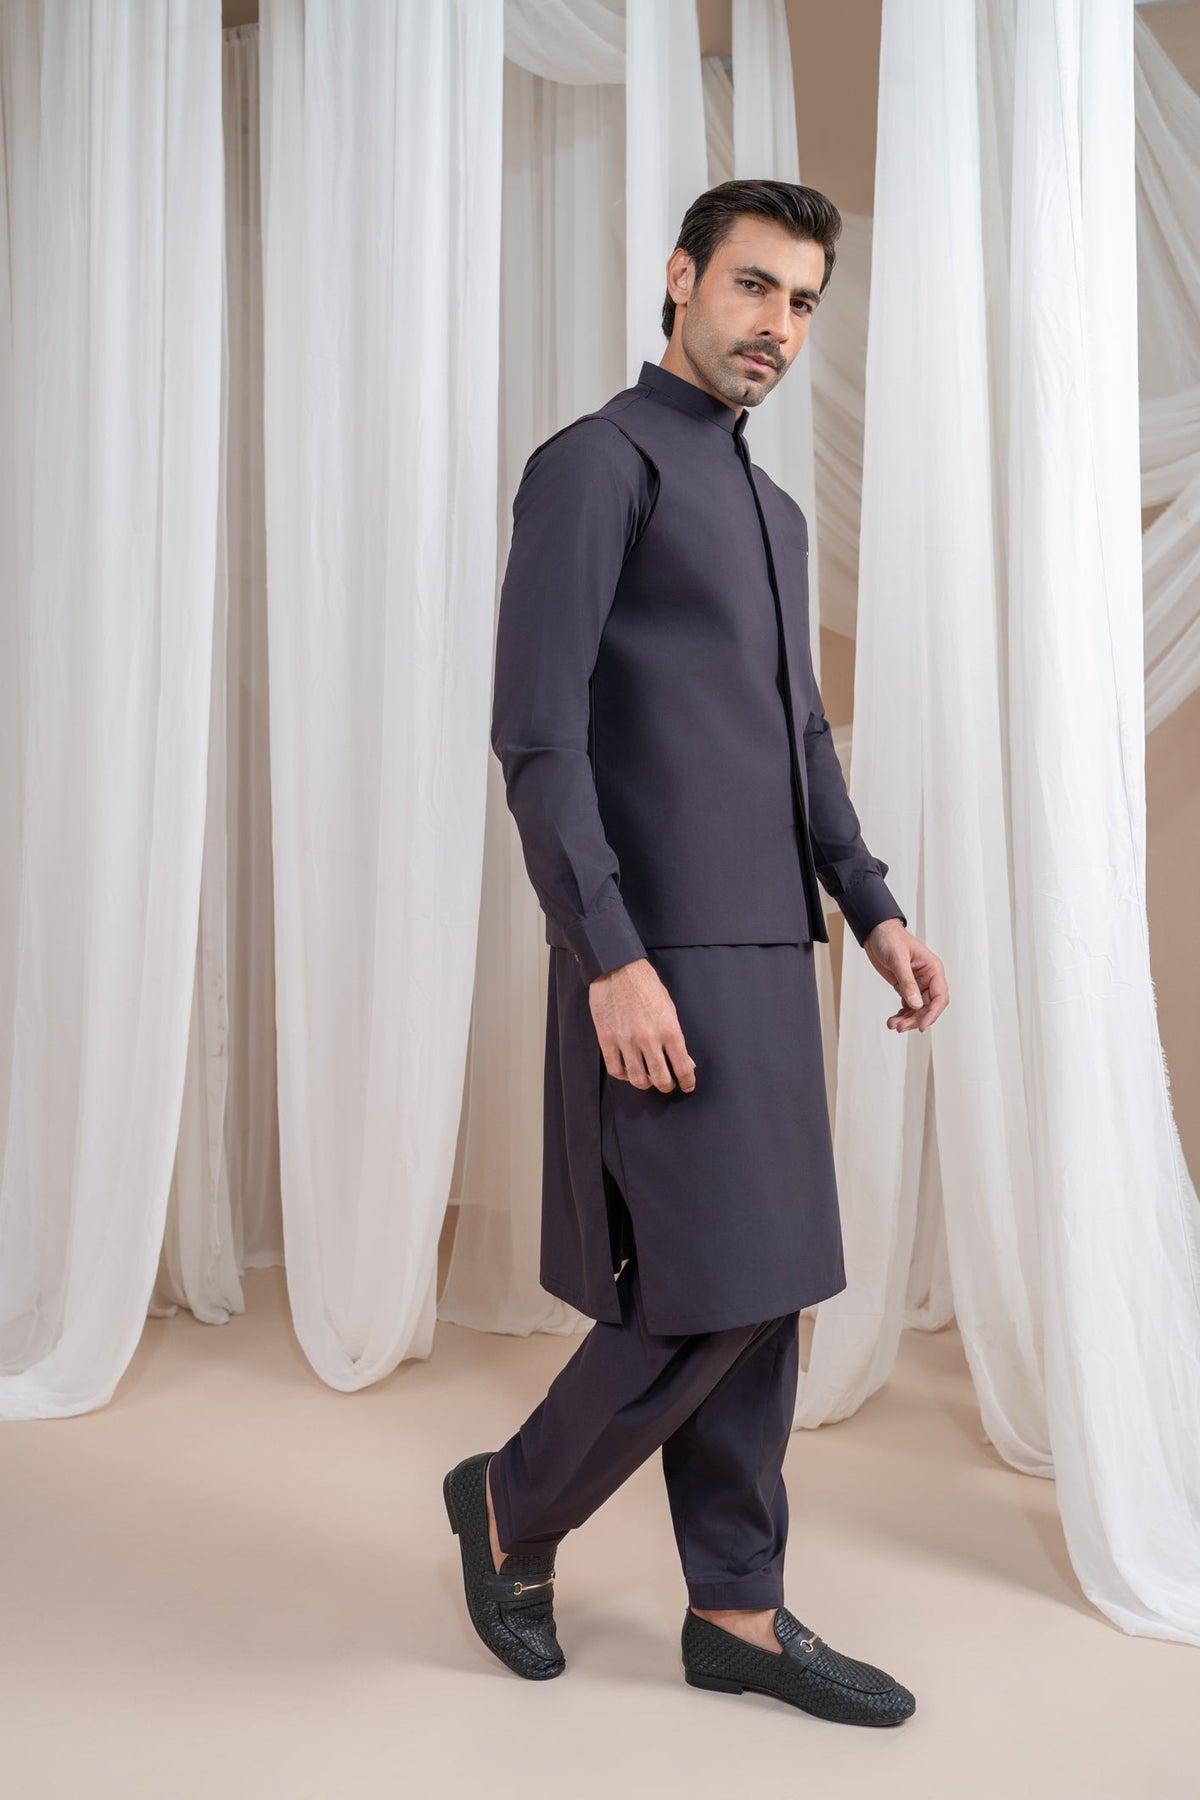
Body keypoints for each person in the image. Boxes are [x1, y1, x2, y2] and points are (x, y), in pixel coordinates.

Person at [443, 179, 948, 1724]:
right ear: (681, 278)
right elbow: (539, 739)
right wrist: (607, 954)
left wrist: (872, 907)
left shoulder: (773, 514)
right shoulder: (595, 468)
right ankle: (510, 1503)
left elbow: (800, 741)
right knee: (696, 1288)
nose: (776, 325)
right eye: (752, 287)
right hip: (650, 953)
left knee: (768, 1282)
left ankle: (736, 1607)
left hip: (772, 951)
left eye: (802, 302)